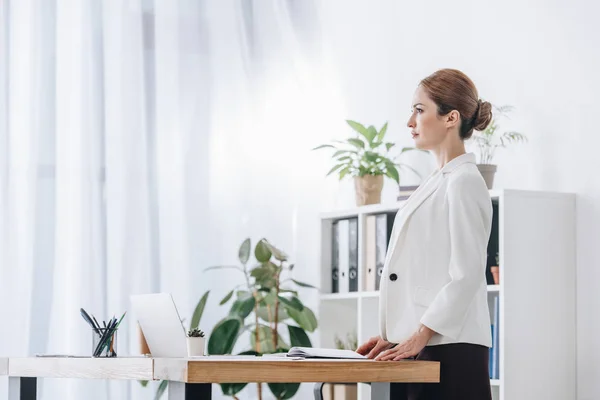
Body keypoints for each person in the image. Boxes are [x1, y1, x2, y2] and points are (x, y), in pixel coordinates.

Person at [356, 68, 494, 400]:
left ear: (451, 118)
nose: (410, 121)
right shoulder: (439, 181)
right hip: (429, 344)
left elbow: (465, 275)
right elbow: (425, 272)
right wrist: (398, 334)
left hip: (451, 349)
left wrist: (419, 333)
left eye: (420, 110)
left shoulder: (464, 181)